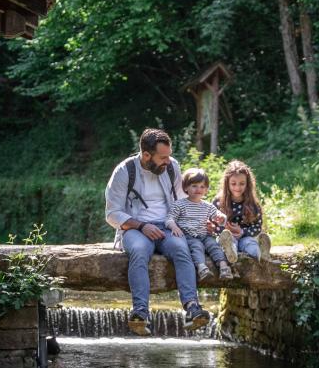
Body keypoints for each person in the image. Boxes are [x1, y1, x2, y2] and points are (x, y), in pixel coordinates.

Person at [105, 128, 211, 336]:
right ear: (146, 155)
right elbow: (112, 214)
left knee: (182, 249)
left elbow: (184, 202)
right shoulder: (124, 171)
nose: (168, 161)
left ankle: (192, 308)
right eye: (163, 157)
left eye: (169, 156)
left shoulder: (172, 167)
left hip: (168, 226)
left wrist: (200, 222)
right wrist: (142, 226)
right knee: (139, 251)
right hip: (135, 228)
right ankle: (141, 313)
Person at [166, 168, 234, 281]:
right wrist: (174, 226)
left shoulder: (207, 206)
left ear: (206, 189)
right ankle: (202, 268)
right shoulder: (180, 204)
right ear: (186, 187)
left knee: (214, 245)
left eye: (202, 187)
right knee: (197, 247)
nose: (198, 189)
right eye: (194, 186)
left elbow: (219, 216)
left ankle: (223, 267)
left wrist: (221, 218)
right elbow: (169, 218)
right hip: (189, 236)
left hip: (204, 235)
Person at [211, 160, 272, 263]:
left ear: (247, 184)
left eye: (242, 184)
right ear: (227, 184)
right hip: (227, 238)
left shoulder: (253, 204)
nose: (237, 187)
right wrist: (225, 229)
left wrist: (242, 232)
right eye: (233, 184)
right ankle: (231, 254)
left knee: (250, 244)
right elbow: (213, 226)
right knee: (228, 243)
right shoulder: (218, 202)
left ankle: (262, 254)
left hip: (246, 236)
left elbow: (257, 227)